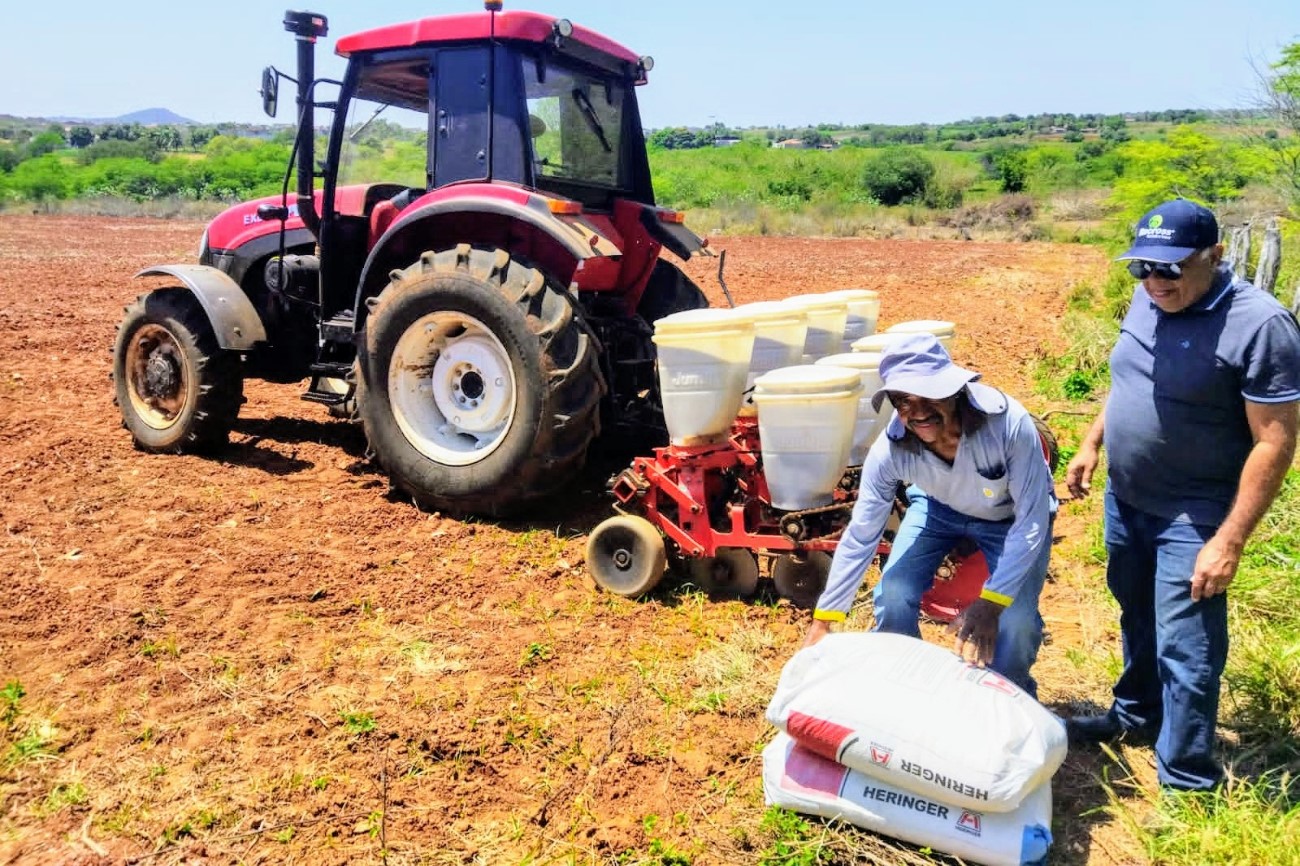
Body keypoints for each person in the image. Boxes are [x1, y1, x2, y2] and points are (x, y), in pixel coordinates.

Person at [1064, 198, 1300, 792]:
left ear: (1214, 257)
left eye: (1170, 268)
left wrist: (1231, 539)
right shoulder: (1148, 297)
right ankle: (1137, 718)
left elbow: (1275, 442)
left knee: (1187, 647)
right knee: (1136, 613)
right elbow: (1129, 378)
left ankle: (1188, 777)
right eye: (1142, 267)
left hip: (1193, 515)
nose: (1153, 280)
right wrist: (1093, 442)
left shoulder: (1260, 325)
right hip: (1127, 498)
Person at [803, 333, 1057, 696]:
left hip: (1011, 519)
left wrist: (990, 603)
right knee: (894, 590)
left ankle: (1009, 697)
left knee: (1016, 620)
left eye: (929, 395)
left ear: (954, 390)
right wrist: (825, 619)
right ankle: (905, 686)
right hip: (939, 508)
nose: (917, 411)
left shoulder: (1008, 425)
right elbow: (862, 533)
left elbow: (1032, 520)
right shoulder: (891, 449)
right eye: (903, 400)